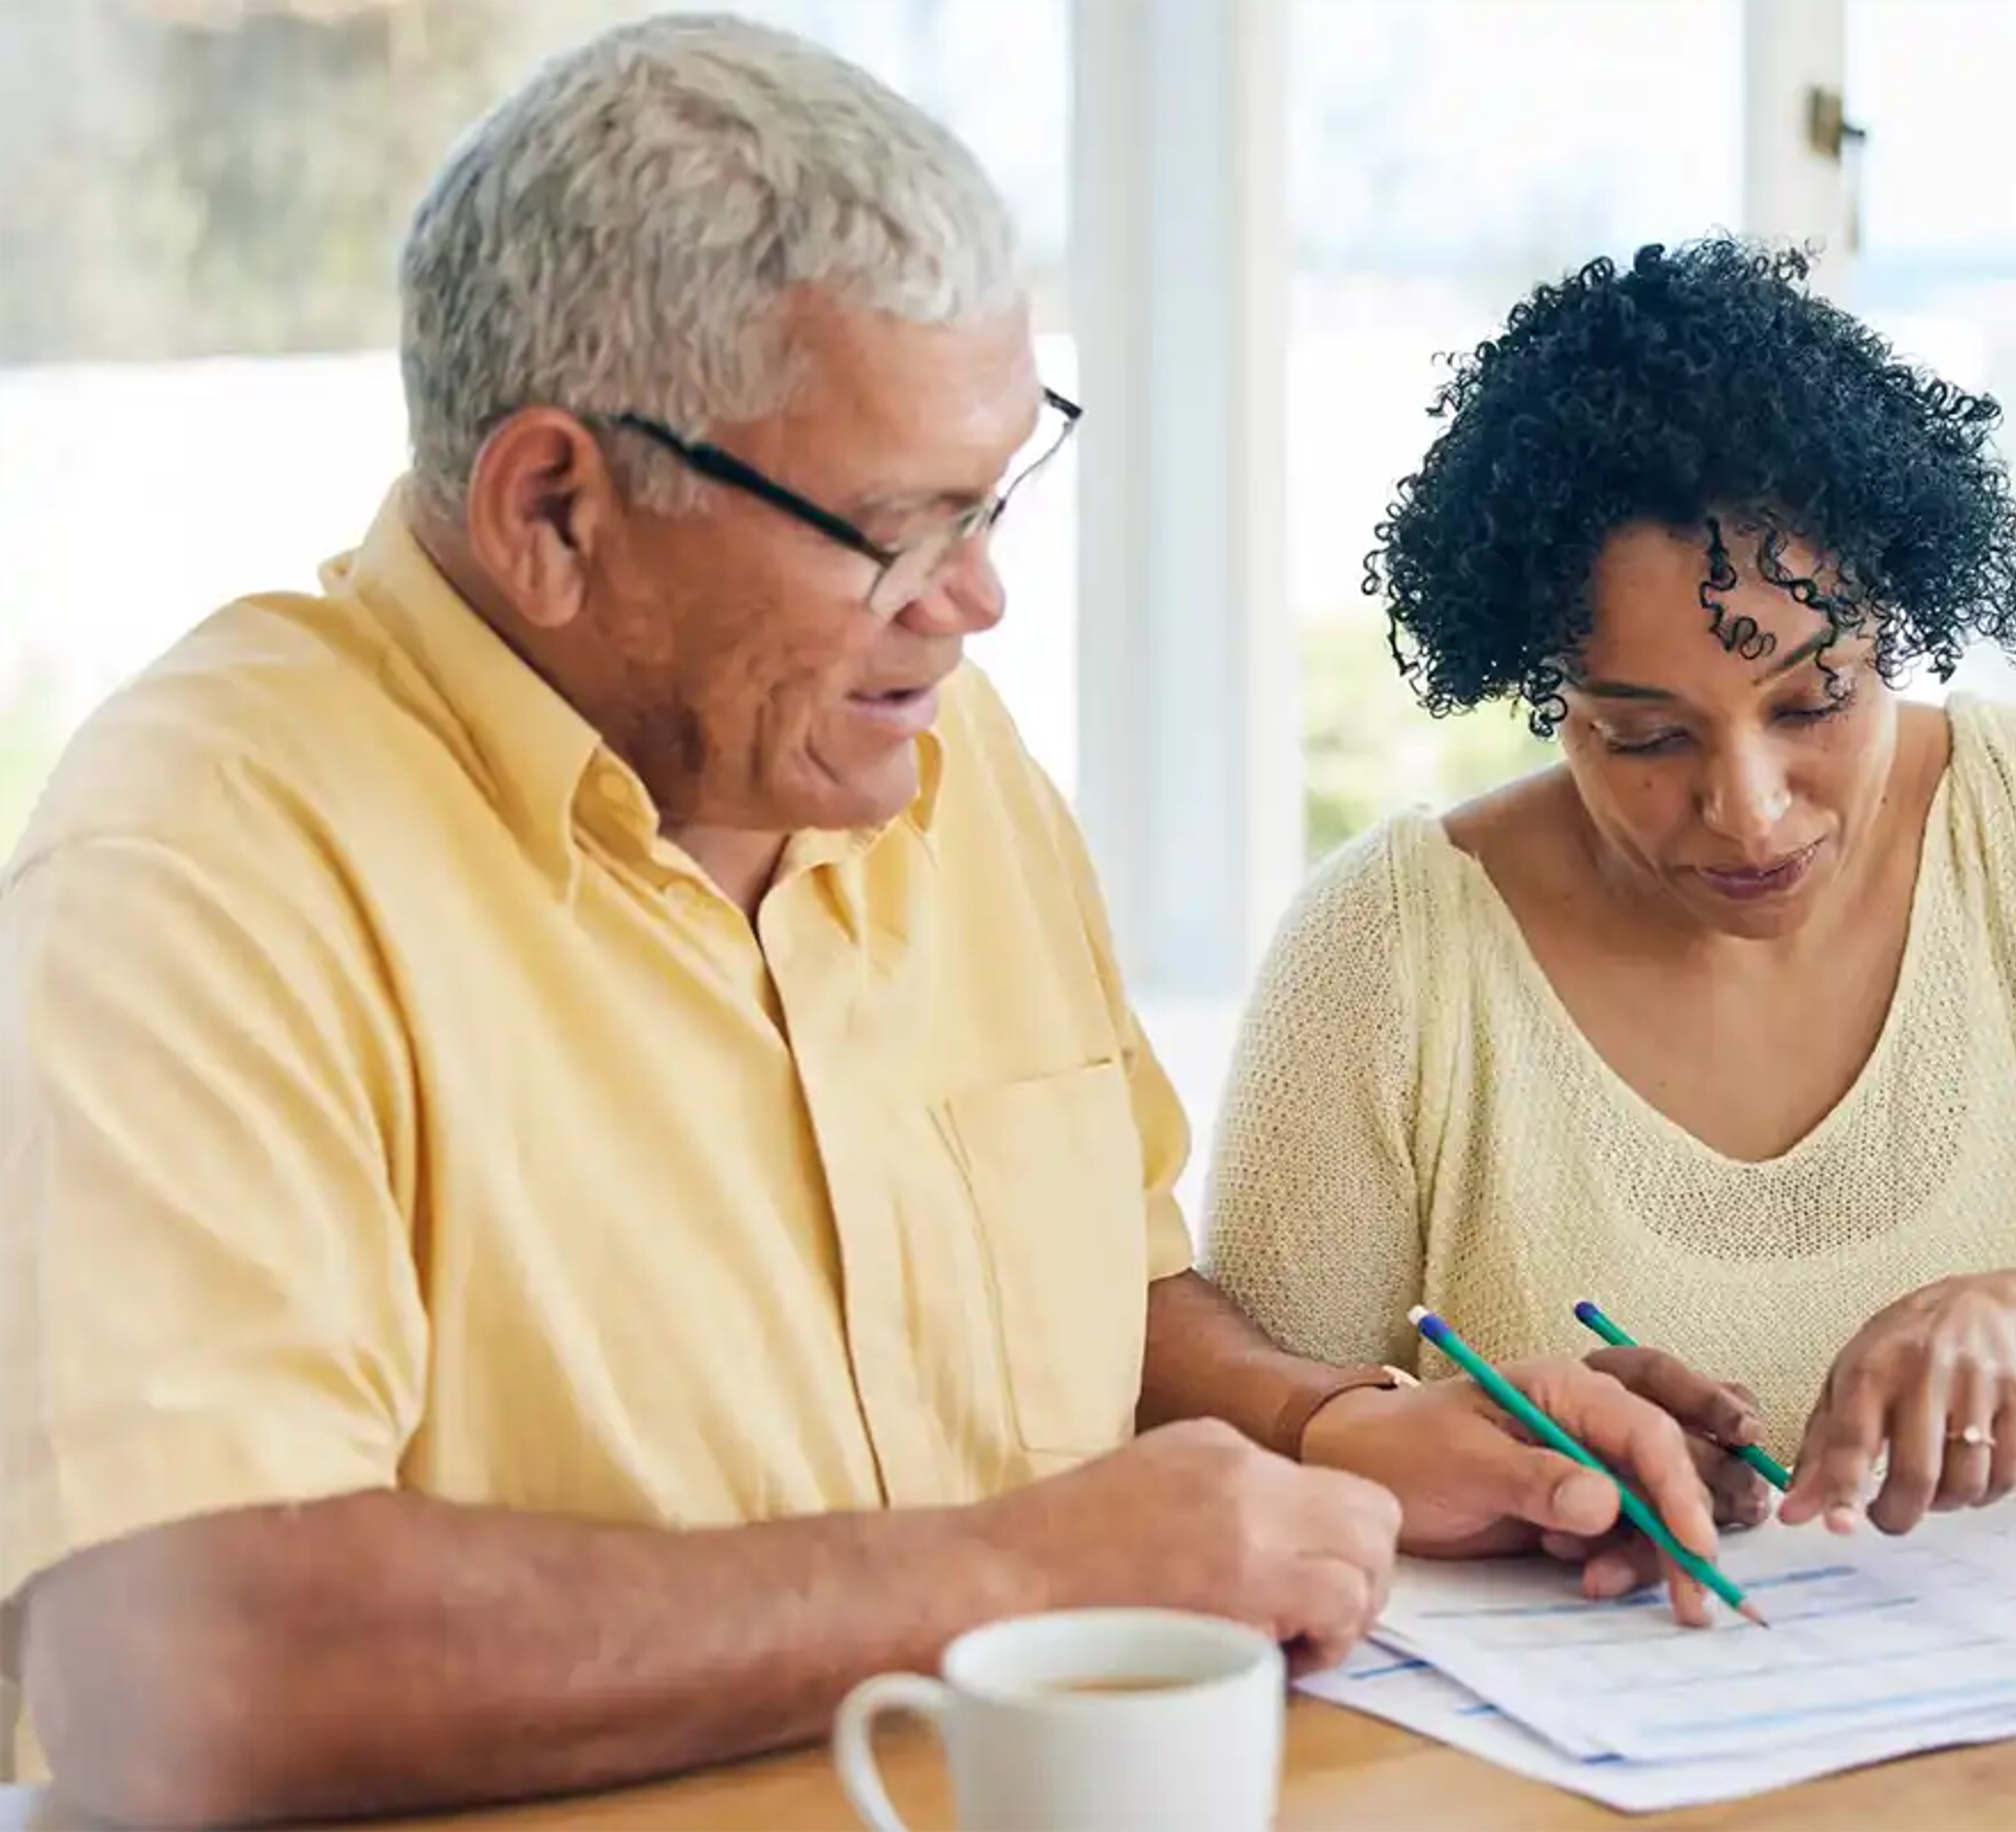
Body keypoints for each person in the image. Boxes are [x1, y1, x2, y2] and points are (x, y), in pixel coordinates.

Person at [0, 21, 1745, 1828]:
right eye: (900, 531)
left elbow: (1106, 1300)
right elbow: (185, 1666)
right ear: (553, 511)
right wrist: (1001, 1577)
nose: (977, 601)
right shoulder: (203, 854)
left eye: (998, 494)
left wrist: (1330, 1428)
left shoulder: (921, 750)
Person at [1203, 237, 2016, 1596]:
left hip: (1998, 1735)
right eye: (1644, 735)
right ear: (1548, 688)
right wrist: (1474, 1453)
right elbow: (1246, 1457)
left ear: (1897, 617)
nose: (1750, 810)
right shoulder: (1390, 946)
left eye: (1815, 701)